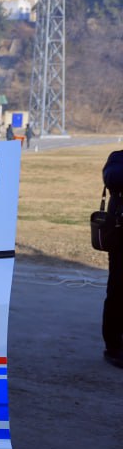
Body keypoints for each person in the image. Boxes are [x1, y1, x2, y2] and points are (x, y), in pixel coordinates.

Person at [101, 151, 123, 370]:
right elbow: (113, 177)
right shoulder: (118, 158)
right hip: (120, 236)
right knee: (118, 292)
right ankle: (114, 347)